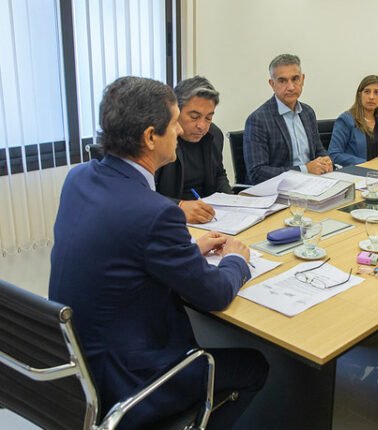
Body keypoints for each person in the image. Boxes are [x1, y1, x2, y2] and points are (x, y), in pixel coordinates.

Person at [49, 76, 268, 429]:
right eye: (175, 122)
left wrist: (188, 249)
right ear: (151, 137)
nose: (180, 131)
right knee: (254, 366)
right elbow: (213, 294)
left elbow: (123, 248)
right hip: (132, 380)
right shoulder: (156, 213)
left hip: (77, 366)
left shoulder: (79, 178)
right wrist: (236, 261)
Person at [243, 54, 332, 184]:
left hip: (314, 183)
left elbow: (318, 149)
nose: (291, 87)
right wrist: (305, 170)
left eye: (295, 79)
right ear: (272, 84)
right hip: (279, 189)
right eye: (282, 81)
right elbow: (257, 173)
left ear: (302, 79)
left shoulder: (308, 112)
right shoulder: (258, 120)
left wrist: (325, 160)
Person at [155, 76, 230, 224]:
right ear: (175, 111)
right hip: (168, 218)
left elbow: (219, 174)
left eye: (208, 118)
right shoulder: (160, 140)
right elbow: (143, 194)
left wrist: (232, 201)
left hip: (209, 219)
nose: (202, 126)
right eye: (194, 117)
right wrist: (179, 206)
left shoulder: (214, 134)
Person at [328, 75, 378, 166]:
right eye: (367, 92)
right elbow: (334, 154)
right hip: (356, 171)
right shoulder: (345, 120)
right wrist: (365, 164)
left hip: (377, 170)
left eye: (376, 92)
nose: (371, 97)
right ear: (359, 95)